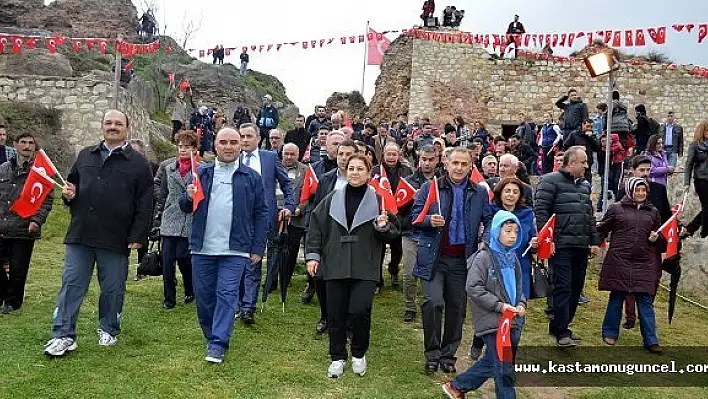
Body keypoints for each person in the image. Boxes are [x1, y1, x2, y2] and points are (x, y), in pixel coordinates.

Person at [44, 110, 153, 357]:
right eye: (108, 123)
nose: (112, 127)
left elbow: (145, 203)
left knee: (112, 288)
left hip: (116, 237)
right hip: (81, 234)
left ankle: (109, 328)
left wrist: (138, 235)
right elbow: (71, 187)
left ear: (127, 127)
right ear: (102, 126)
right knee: (72, 285)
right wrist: (68, 195)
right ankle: (63, 335)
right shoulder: (85, 155)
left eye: (118, 123)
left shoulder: (138, 164)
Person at [306, 153, 399, 378]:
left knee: (360, 310)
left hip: (365, 266)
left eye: (360, 169)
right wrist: (313, 256)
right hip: (335, 264)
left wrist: (382, 227)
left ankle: (359, 352)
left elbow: (394, 234)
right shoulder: (332, 198)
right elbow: (316, 227)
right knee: (335, 313)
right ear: (346, 172)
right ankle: (337, 357)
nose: (355, 172)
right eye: (351, 168)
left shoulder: (379, 201)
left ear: (369, 173)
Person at [180, 128, 268, 363]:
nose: (228, 147)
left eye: (234, 142)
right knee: (204, 297)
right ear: (215, 146)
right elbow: (185, 206)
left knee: (227, 294)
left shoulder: (252, 178)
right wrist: (188, 196)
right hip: (202, 248)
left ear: (241, 146)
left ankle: (218, 343)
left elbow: (261, 213)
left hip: (236, 249)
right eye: (223, 142)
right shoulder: (202, 173)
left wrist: (258, 247)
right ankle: (211, 335)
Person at [412, 147, 492, 374]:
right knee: (433, 303)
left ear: (470, 167)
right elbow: (414, 218)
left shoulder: (479, 192)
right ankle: (432, 353)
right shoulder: (430, 188)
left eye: (463, 164)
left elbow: (489, 220)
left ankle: (448, 355)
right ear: (445, 164)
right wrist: (429, 220)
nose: (458, 168)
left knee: (457, 309)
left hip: (463, 260)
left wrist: (485, 242)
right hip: (434, 257)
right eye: (454, 163)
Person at [442, 211, 526, 399]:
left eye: (515, 231)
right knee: (504, 368)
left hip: (512, 320)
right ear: (496, 231)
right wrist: (499, 306)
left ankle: (457, 386)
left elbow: (520, 286)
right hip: (493, 322)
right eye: (508, 231)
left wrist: (521, 303)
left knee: (492, 361)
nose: (513, 235)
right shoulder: (483, 258)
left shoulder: (513, 258)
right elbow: (473, 287)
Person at [534, 146, 600, 347]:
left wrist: (594, 241)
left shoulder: (584, 186)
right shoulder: (549, 181)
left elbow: (589, 215)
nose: (587, 165)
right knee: (563, 287)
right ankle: (561, 330)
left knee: (576, 287)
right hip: (560, 245)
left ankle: (561, 326)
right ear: (571, 163)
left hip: (580, 245)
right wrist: (547, 240)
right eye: (583, 162)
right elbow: (541, 211)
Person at [597, 177, 663, 354]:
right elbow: (602, 228)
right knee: (616, 298)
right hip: (620, 260)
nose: (641, 194)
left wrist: (657, 239)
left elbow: (660, 237)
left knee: (646, 301)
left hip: (644, 262)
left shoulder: (653, 212)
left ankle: (651, 340)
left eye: (643, 190)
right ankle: (610, 332)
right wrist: (594, 244)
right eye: (637, 190)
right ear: (630, 190)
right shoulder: (616, 209)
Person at [237, 124, 293, 325]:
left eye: (249, 136)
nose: (244, 140)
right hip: (237, 218)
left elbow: (286, 183)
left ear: (258, 138)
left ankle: (247, 307)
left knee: (254, 260)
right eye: (242, 136)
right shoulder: (233, 157)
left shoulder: (269, 158)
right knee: (237, 261)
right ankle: (238, 301)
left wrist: (288, 205)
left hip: (262, 217)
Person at [301, 140, 358, 333]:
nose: (343, 158)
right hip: (329, 236)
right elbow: (317, 209)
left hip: (353, 238)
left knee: (350, 282)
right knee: (322, 278)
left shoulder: (362, 179)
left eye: (348, 154)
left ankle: (349, 323)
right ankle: (326, 316)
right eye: (341, 153)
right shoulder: (326, 179)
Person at [0, 133, 53, 314]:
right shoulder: (3, 169)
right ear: (15, 145)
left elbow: (46, 200)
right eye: (23, 142)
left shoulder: (40, 172)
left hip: (24, 227)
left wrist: (36, 221)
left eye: (31, 143)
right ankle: (4, 293)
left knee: (18, 269)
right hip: (2, 224)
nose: (27, 146)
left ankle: (12, 303)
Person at [153, 131, 199, 309]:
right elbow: (162, 194)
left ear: (194, 149)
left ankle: (189, 289)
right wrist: (158, 217)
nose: (182, 150)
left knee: (184, 257)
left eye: (187, 147)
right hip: (170, 217)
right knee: (166, 260)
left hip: (189, 218)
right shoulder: (168, 168)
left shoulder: (199, 170)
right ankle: (169, 298)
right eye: (180, 146)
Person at [400, 145, 438, 322]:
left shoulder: (444, 181)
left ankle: (432, 304)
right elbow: (397, 208)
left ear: (437, 160)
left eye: (431, 159)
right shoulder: (408, 181)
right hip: (411, 232)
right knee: (409, 273)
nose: (427, 163)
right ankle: (409, 306)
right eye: (424, 159)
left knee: (433, 272)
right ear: (419, 159)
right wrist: (409, 201)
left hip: (434, 233)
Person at [372, 143, 414, 290]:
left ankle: (393, 270)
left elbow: (411, 192)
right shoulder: (375, 171)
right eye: (388, 154)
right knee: (379, 250)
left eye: (394, 154)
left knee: (397, 249)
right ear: (383, 155)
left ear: (398, 155)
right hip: (381, 215)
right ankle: (377, 280)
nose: (391, 157)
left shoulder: (407, 171)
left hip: (400, 216)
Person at [281, 144, 307, 288]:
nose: (289, 157)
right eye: (287, 154)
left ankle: (287, 278)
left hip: (297, 218)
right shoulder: (275, 167)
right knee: (276, 248)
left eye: (292, 154)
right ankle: (272, 279)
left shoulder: (305, 170)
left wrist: (299, 209)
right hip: (277, 216)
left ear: (298, 155)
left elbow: (308, 194)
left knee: (292, 250)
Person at [682, 121, 708, 238]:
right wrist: (686, 183)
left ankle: (691, 228)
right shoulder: (695, 145)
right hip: (701, 179)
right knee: (706, 205)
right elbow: (689, 164)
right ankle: (704, 232)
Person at [645, 135, 673, 223]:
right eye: (658, 143)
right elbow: (651, 170)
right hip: (654, 185)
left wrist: (668, 170)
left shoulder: (663, 154)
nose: (661, 145)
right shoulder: (648, 156)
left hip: (663, 185)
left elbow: (664, 167)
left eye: (662, 143)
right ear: (652, 144)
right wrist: (667, 169)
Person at [596, 131, 625, 213]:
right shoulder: (601, 150)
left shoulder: (615, 147)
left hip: (613, 169)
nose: (604, 143)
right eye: (603, 141)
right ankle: (599, 207)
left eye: (606, 141)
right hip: (604, 172)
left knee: (615, 187)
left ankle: (616, 204)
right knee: (604, 189)